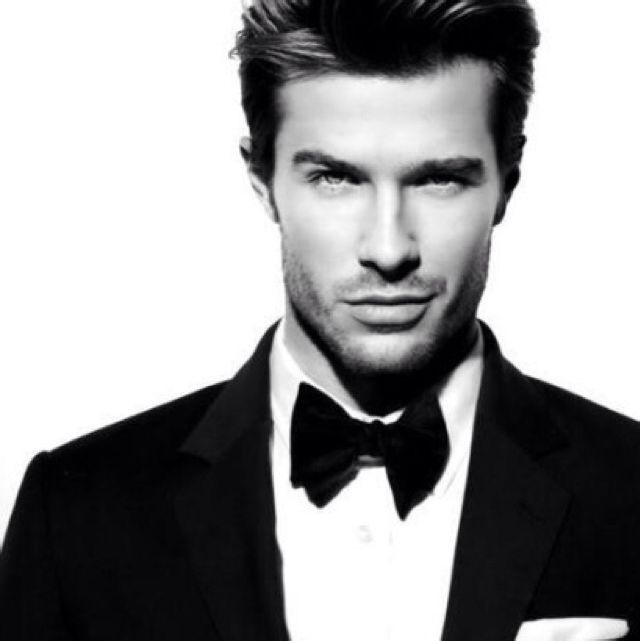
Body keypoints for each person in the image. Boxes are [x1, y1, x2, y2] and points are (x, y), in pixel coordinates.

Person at [1, 0, 639, 639]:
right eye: (335, 178)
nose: (388, 249)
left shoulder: (629, 490)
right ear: (262, 181)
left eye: (440, 180)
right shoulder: (77, 512)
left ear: (508, 180)